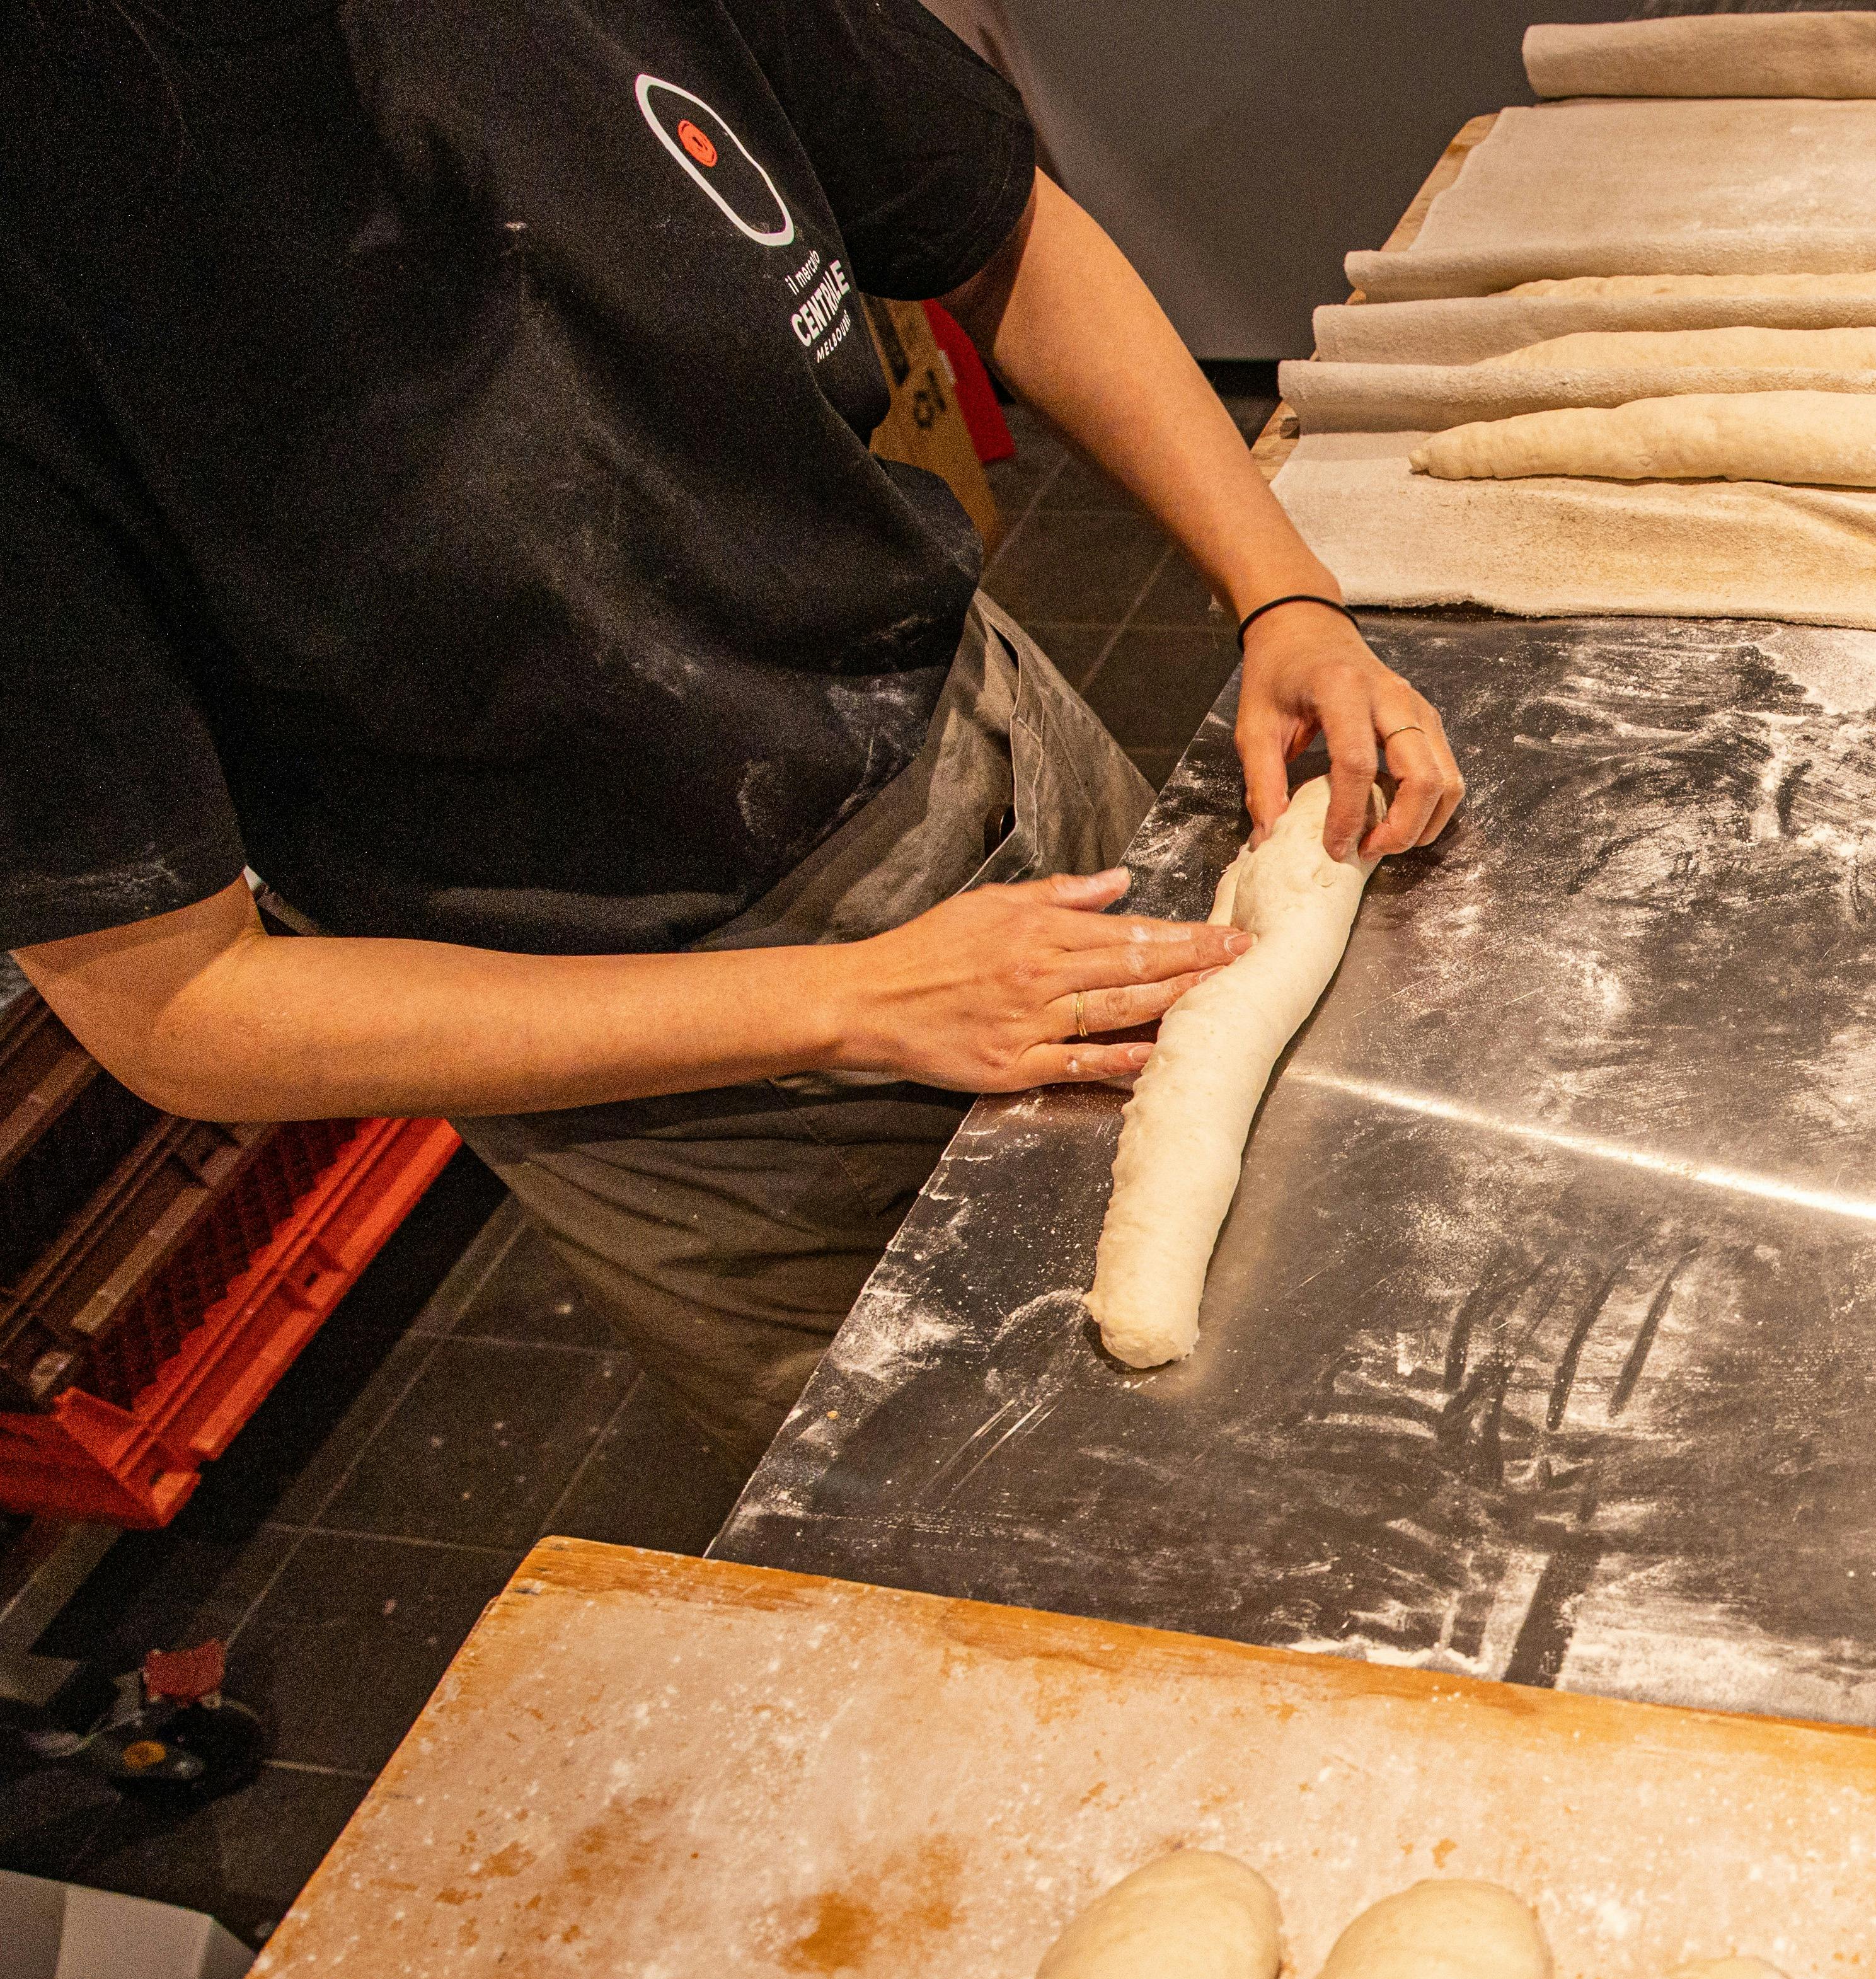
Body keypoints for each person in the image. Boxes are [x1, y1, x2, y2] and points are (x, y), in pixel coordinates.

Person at [1, 0, 1461, 1455]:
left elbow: (991, 219)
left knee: (1330, 1289)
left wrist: (1281, 591)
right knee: (1024, 1492)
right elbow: (171, 1006)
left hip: (996, 763)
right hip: (679, 1081)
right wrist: (857, 998)